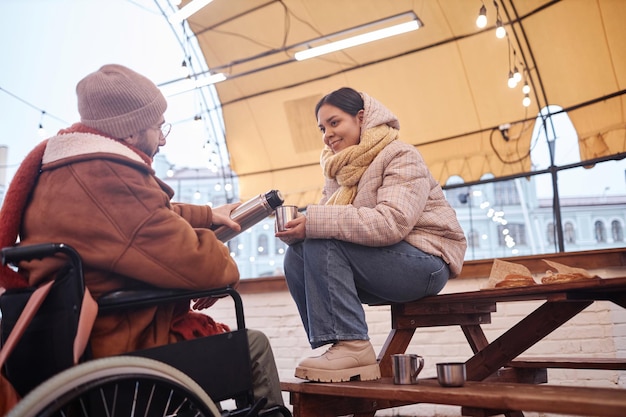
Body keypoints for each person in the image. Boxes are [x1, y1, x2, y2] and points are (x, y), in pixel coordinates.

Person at [0, 64, 284, 414]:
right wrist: (219, 251)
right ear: (130, 133)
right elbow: (200, 264)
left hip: (65, 343)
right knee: (253, 346)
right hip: (122, 345)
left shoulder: (62, 173)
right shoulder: (112, 177)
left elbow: (136, 221)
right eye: (158, 127)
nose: (163, 138)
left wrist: (208, 215)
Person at [275, 87, 467, 383]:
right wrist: (298, 232)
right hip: (389, 262)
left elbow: (393, 222)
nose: (327, 134)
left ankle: (353, 345)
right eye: (322, 128)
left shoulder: (400, 155)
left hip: (427, 261)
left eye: (334, 123)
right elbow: (337, 226)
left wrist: (313, 223)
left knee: (320, 235)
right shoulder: (339, 171)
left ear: (362, 117)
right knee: (297, 253)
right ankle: (340, 346)